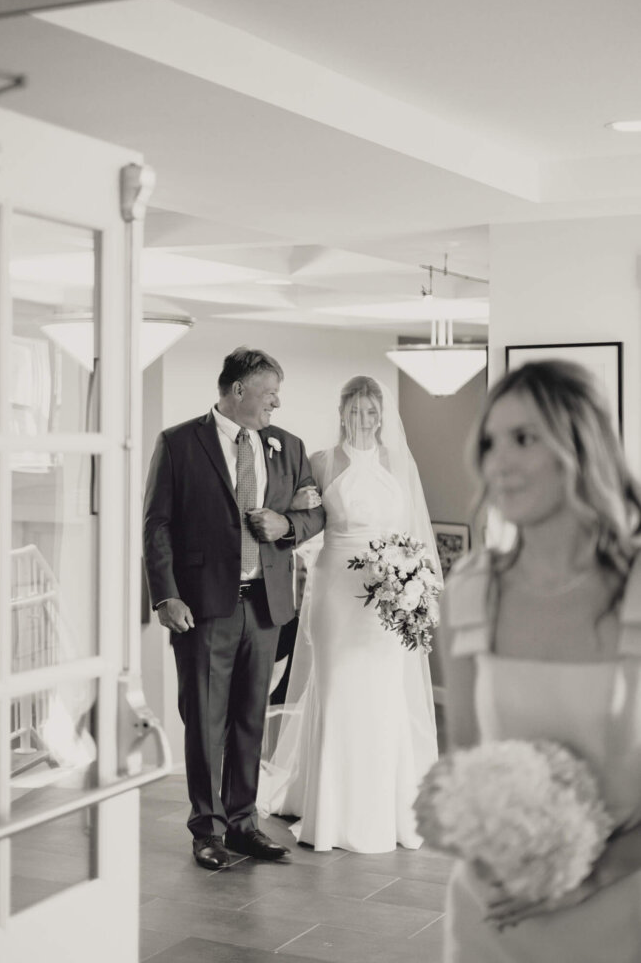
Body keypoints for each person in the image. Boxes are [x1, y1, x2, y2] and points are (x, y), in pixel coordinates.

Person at [439, 359, 641, 963]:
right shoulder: (469, 589)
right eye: (490, 441)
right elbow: (465, 763)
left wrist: (591, 876)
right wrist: (490, 856)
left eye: (524, 438)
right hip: (492, 912)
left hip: (620, 906)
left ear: (578, 446)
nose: (499, 462)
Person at [143, 347, 325, 871]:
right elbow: (156, 525)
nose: (277, 402)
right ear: (239, 390)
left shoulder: (288, 446)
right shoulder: (178, 442)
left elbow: (314, 514)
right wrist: (165, 594)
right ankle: (208, 831)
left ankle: (244, 826)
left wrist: (285, 526)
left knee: (249, 719)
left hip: (266, 608)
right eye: (270, 393)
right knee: (204, 721)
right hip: (202, 609)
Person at [259, 375, 440, 853]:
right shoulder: (321, 462)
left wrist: (412, 584)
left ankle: (385, 807)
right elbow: (301, 520)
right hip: (338, 585)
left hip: (389, 592)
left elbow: (413, 532)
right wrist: (296, 506)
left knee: (383, 695)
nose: (364, 420)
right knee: (337, 689)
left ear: (382, 416)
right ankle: (332, 811)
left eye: (372, 412)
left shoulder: (399, 464)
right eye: (356, 411)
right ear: (342, 413)